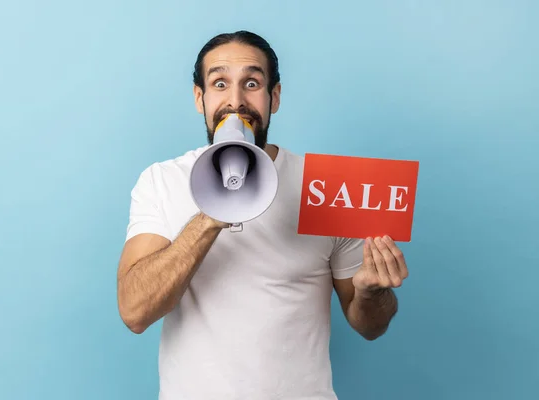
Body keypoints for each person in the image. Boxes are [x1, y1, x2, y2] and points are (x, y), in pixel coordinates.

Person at [117, 30, 409, 400]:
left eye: (251, 83)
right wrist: (211, 214)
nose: (235, 101)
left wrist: (372, 292)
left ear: (274, 97)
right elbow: (135, 312)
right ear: (199, 98)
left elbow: (370, 325)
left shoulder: (326, 188)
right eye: (219, 83)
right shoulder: (162, 180)